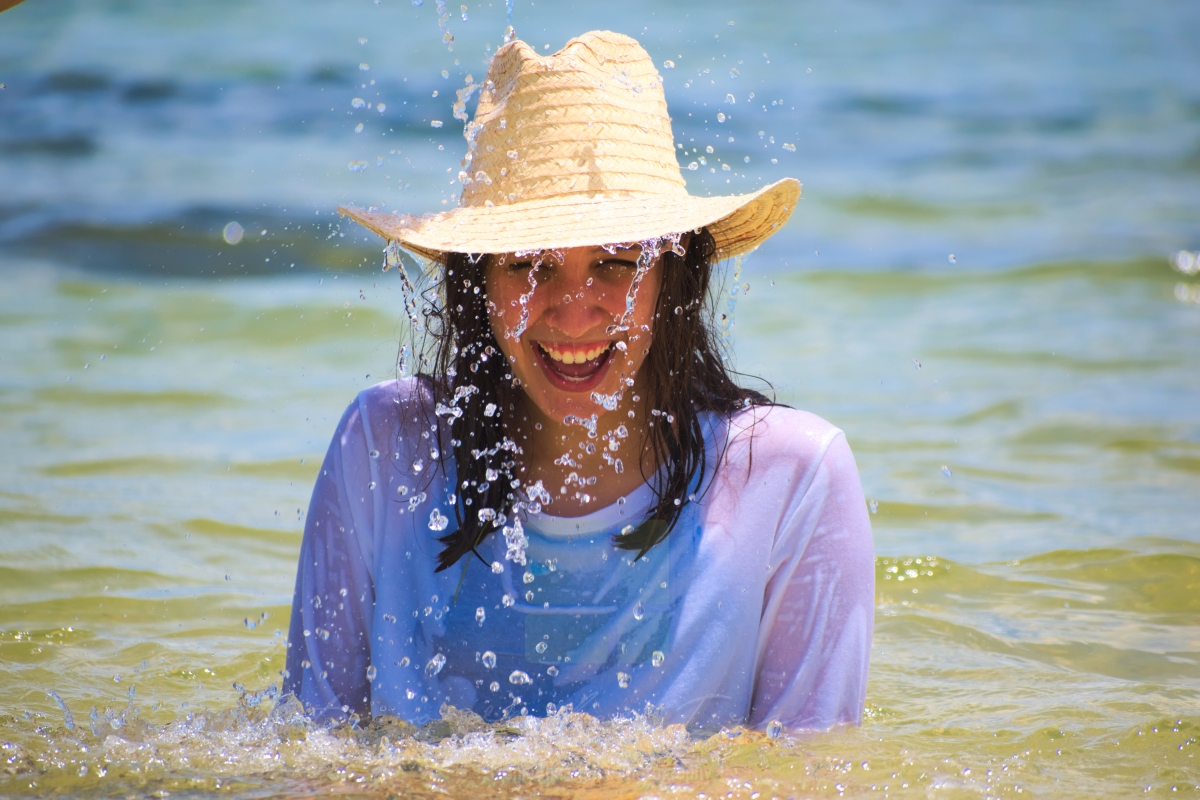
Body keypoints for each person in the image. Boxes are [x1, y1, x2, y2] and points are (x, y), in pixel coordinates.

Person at [284, 30, 874, 733]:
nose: (571, 309)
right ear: (477, 281)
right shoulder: (385, 445)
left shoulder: (790, 478)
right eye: (527, 262)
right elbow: (308, 753)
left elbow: (802, 782)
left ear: (673, 275)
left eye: (617, 262)